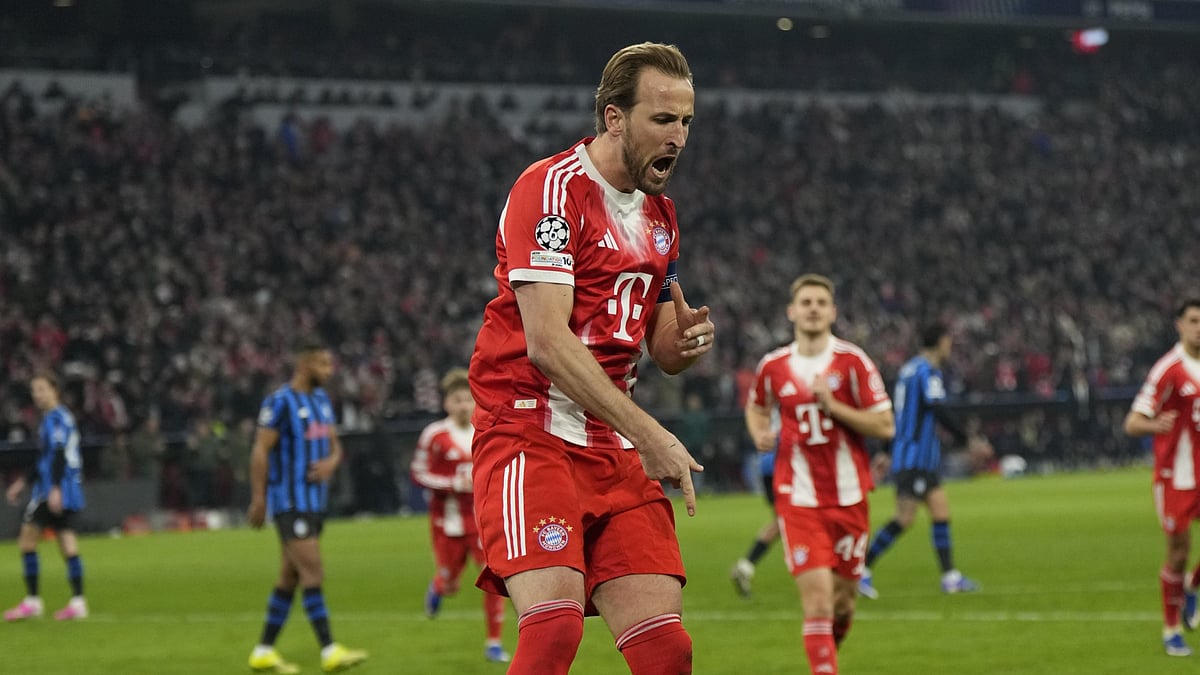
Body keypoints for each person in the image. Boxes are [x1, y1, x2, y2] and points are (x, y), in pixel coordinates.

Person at [468, 42, 714, 675]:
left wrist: (681, 343)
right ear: (614, 118)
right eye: (663, 119)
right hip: (529, 432)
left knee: (667, 651)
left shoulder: (661, 216)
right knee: (553, 631)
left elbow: (658, 345)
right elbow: (547, 343)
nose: (679, 136)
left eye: (686, 120)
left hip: (609, 443)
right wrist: (651, 434)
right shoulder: (551, 191)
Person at [744, 274, 894, 675]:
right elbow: (756, 406)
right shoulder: (774, 366)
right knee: (818, 603)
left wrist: (834, 406)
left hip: (849, 497)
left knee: (843, 605)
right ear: (792, 312)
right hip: (798, 499)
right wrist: (759, 432)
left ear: (833, 312)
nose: (813, 309)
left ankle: (828, 652)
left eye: (820, 303)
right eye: (806, 302)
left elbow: (885, 425)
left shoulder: (853, 362)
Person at [245, 338, 367, 674]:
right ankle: (329, 650)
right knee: (313, 572)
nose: (329, 371)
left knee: (289, 577)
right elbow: (260, 450)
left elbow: (335, 447)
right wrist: (259, 498)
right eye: (323, 364)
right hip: (289, 502)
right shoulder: (280, 402)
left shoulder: (321, 400)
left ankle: (263, 651)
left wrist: (330, 463)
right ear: (304, 364)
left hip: (315, 502)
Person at [858, 322, 984, 599]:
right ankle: (861, 569)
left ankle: (950, 577)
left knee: (940, 511)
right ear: (941, 342)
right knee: (904, 518)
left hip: (915, 457)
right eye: (949, 342)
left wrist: (887, 449)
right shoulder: (927, 371)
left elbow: (897, 414)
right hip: (915, 457)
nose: (950, 347)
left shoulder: (908, 370)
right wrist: (967, 439)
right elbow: (937, 407)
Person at [411, 368, 510, 663]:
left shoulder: (486, 429)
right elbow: (418, 473)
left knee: (493, 576)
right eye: (457, 400)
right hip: (448, 522)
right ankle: (439, 586)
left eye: (468, 399)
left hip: (482, 519)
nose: (464, 405)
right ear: (446, 403)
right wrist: (452, 484)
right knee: (451, 583)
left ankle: (493, 643)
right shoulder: (435, 435)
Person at [1124, 298, 1200, 657]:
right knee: (1178, 552)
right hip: (1177, 477)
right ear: (1179, 325)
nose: (1199, 328)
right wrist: (1155, 425)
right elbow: (1132, 422)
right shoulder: (1168, 369)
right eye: (1193, 321)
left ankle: (1191, 586)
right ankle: (1171, 630)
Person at [4, 372, 88, 622]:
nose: (37, 395)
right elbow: (45, 457)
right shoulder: (54, 418)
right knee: (67, 542)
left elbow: (59, 455)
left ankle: (33, 601)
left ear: (55, 390)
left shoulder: (57, 418)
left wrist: (55, 489)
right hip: (65, 487)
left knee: (27, 541)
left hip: (53, 488)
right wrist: (22, 482)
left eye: (42, 389)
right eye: (34, 390)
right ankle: (78, 601)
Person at [729, 445, 780, 598]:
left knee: (782, 522)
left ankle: (745, 566)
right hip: (784, 465)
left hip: (769, 466)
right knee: (789, 521)